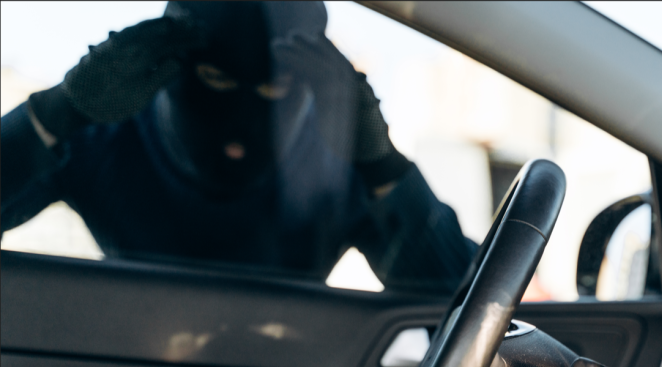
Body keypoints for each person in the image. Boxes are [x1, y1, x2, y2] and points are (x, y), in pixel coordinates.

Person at [1, 1, 477, 294]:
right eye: (216, 79)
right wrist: (55, 113)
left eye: (274, 88)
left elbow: (467, 311)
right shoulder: (105, 132)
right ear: (172, 66)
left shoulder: (337, 159)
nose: (243, 120)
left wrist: (381, 164)